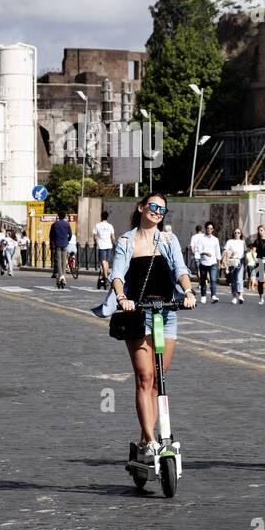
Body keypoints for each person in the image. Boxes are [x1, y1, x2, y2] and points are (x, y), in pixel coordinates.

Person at [93, 193, 196, 462]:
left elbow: (180, 269)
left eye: (163, 209)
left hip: (167, 314)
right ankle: (152, 441)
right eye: (153, 206)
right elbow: (117, 274)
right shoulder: (127, 241)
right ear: (141, 208)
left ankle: (144, 437)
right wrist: (122, 298)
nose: (157, 212)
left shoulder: (169, 240)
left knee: (158, 380)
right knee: (145, 377)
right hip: (138, 315)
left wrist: (188, 291)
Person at [194, 222, 221, 304]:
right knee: (203, 280)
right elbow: (198, 250)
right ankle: (203, 296)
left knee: (213, 280)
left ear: (213, 230)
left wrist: (219, 262)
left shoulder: (215, 239)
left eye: (211, 228)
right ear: (205, 229)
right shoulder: (201, 239)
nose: (209, 230)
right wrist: (205, 253)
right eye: (208, 228)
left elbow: (218, 251)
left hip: (213, 262)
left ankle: (213, 295)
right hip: (203, 262)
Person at [92, 212, 116, 290]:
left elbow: (95, 236)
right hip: (109, 245)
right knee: (106, 262)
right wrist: (114, 244)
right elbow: (113, 237)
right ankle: (104, 277)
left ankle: (106, 277)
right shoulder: (110, 226)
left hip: (101, 245)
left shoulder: (97, 225)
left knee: (103, 261)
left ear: (101, 216)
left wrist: (95, 242)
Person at [223, 228, 247, 304]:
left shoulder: (243, 242)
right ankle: (234, 296)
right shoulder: (229, 241)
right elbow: (225, 251)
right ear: (233, 233)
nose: (237, 234)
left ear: (241, 234)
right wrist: (230, 253)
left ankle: (241, 295)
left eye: (238, 233)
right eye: (235, 232)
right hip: (232, 261)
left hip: (240, 261)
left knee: (239, 279)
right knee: (233, 280)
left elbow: (245, 252)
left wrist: (246, 261)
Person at [50, 213, 73, 286]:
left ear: (58, 216)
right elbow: (70, 234)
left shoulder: (55, 224)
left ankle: (61, 276)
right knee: (64, 260)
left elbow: (51, 235)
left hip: (57, 244)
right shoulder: (67, 224)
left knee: (58, 260)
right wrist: (67, 240)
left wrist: (52, 243)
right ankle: (63, 276)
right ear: (64, 216)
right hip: (65, 244)